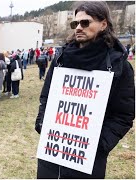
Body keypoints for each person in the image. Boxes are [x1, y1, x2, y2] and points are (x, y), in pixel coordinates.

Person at [35, 1, 135, 179]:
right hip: (52, 154)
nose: (79, 27)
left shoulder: (119, 66)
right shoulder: (61, 58)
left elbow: (124, 115)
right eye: (75, 23)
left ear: (103, 24)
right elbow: (46, 97)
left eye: (85, 22)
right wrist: (43, 125)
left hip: (88, 161)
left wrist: (100, 144)